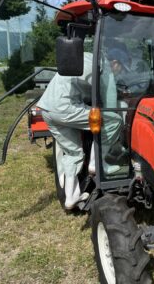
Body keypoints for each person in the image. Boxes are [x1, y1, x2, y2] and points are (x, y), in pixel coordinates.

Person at [38, 51, 123, 210]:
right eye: (120, 70)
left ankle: (71, 197)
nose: (118, 73)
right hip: (65, 107)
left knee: (73, 152)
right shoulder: (104, 65)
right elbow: (110, 101)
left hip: (47, 108)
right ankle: (97, 163)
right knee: (113, 120)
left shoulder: (84, 56)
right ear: (116, 63)